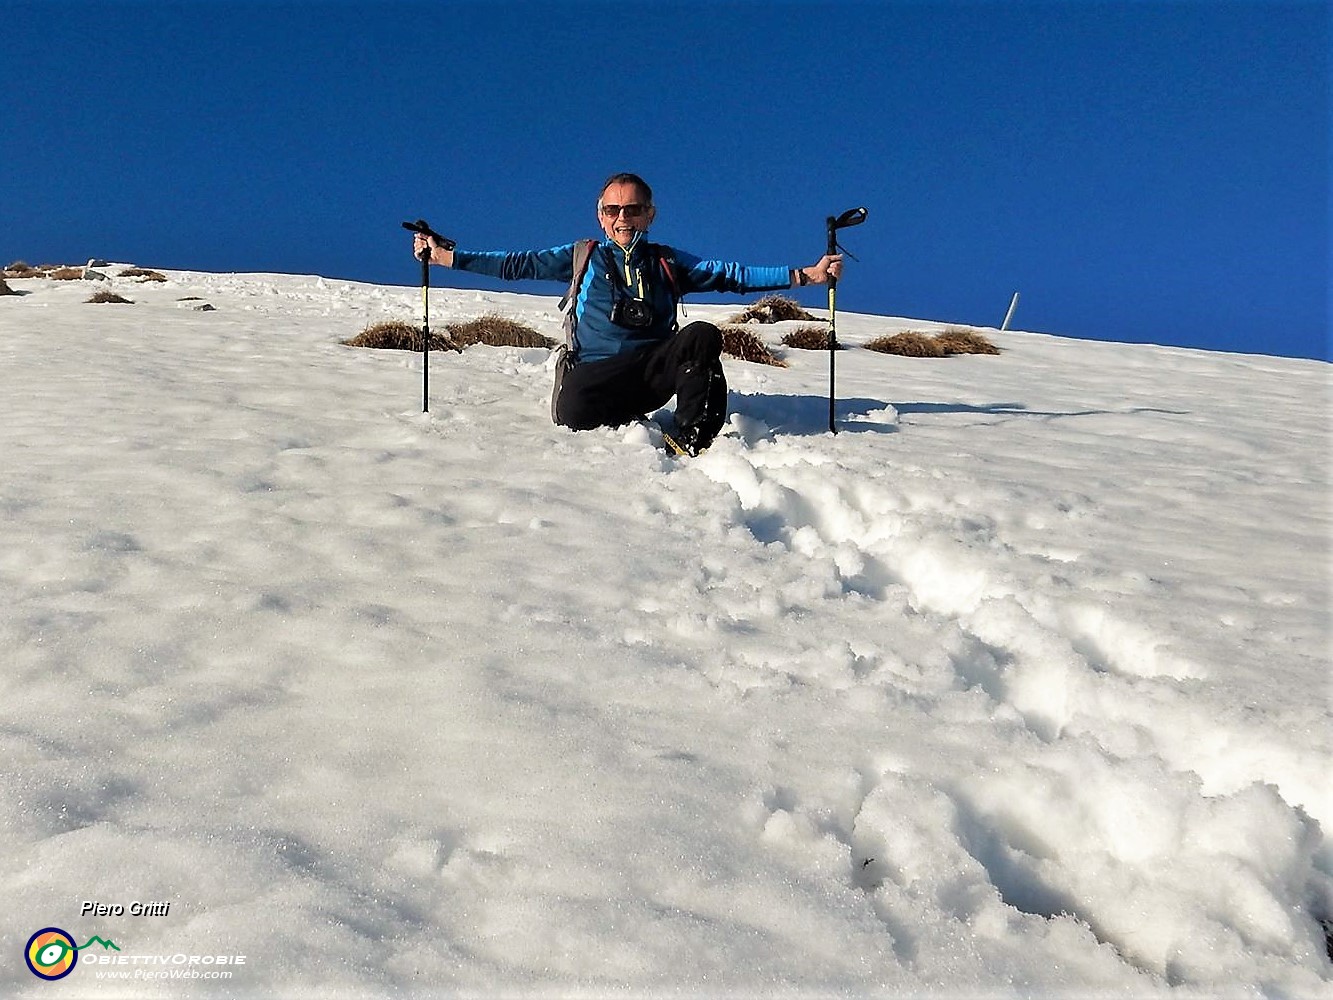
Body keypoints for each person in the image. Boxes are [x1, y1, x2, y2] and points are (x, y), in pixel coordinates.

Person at [412, 172, 842, 455]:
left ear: (649, 215)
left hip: (647, 375)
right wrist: (447, 257)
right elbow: (516, 264)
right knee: (577, 416)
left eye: (633, 209)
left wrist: (805, 275)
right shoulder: (582, 256)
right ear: (601, 217)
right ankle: (619, 417)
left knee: (701, 336)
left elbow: (730, 275)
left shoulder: (667, 262)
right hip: (592, 380)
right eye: (613, 210)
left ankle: (690, 440)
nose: (623, 218)